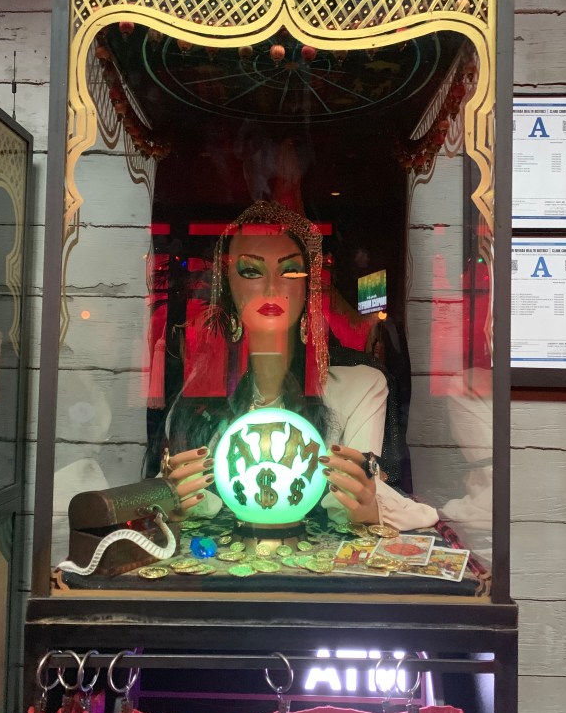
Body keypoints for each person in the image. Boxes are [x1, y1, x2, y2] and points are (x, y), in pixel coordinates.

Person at [158, 201, 437, 532]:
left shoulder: (360, 389)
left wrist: (366, 506)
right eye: (251, 271)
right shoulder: (194, 405)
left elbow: (360, 498)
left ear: (308, 289)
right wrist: (173, 504)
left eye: (290, 271)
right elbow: (162, 500)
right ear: (229, 288)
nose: (272, 287)